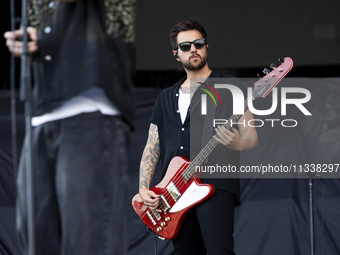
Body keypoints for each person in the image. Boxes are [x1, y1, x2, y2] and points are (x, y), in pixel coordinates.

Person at [4, 1, 136, 254]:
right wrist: (32, 37)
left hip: (90, 110)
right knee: (36, 242)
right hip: (43, 114)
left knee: (87, 243)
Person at [138, 19, 258, 255]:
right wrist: (143, 188)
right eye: (185, 46)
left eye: (198, 43)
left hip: (214, 184)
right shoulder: (165, 98)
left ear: (206, 47)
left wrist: (239, 143)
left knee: (219, 250)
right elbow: (152, 146)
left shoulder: (229, 86)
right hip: (173, 192)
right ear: (176, 54)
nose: (193, 49)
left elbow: (251, 134)